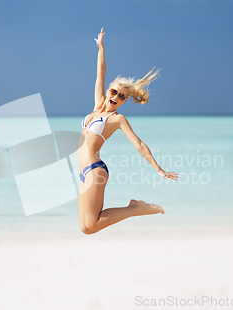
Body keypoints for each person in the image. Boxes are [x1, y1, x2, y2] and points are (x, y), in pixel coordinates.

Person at [77, 28, 179, 235]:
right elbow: (100, 73)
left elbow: (139, 144)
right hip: (82, 172)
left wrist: (158, 168)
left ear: (124, 101)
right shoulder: (97, 106)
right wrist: (101, 48)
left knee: (92, 226)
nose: (116, 97)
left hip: (95, 170)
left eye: (122, 96)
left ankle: (135, 209)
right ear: (108, 91)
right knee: (85, 227)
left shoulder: (117, 119)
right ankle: (135, 208)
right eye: (114, 91)